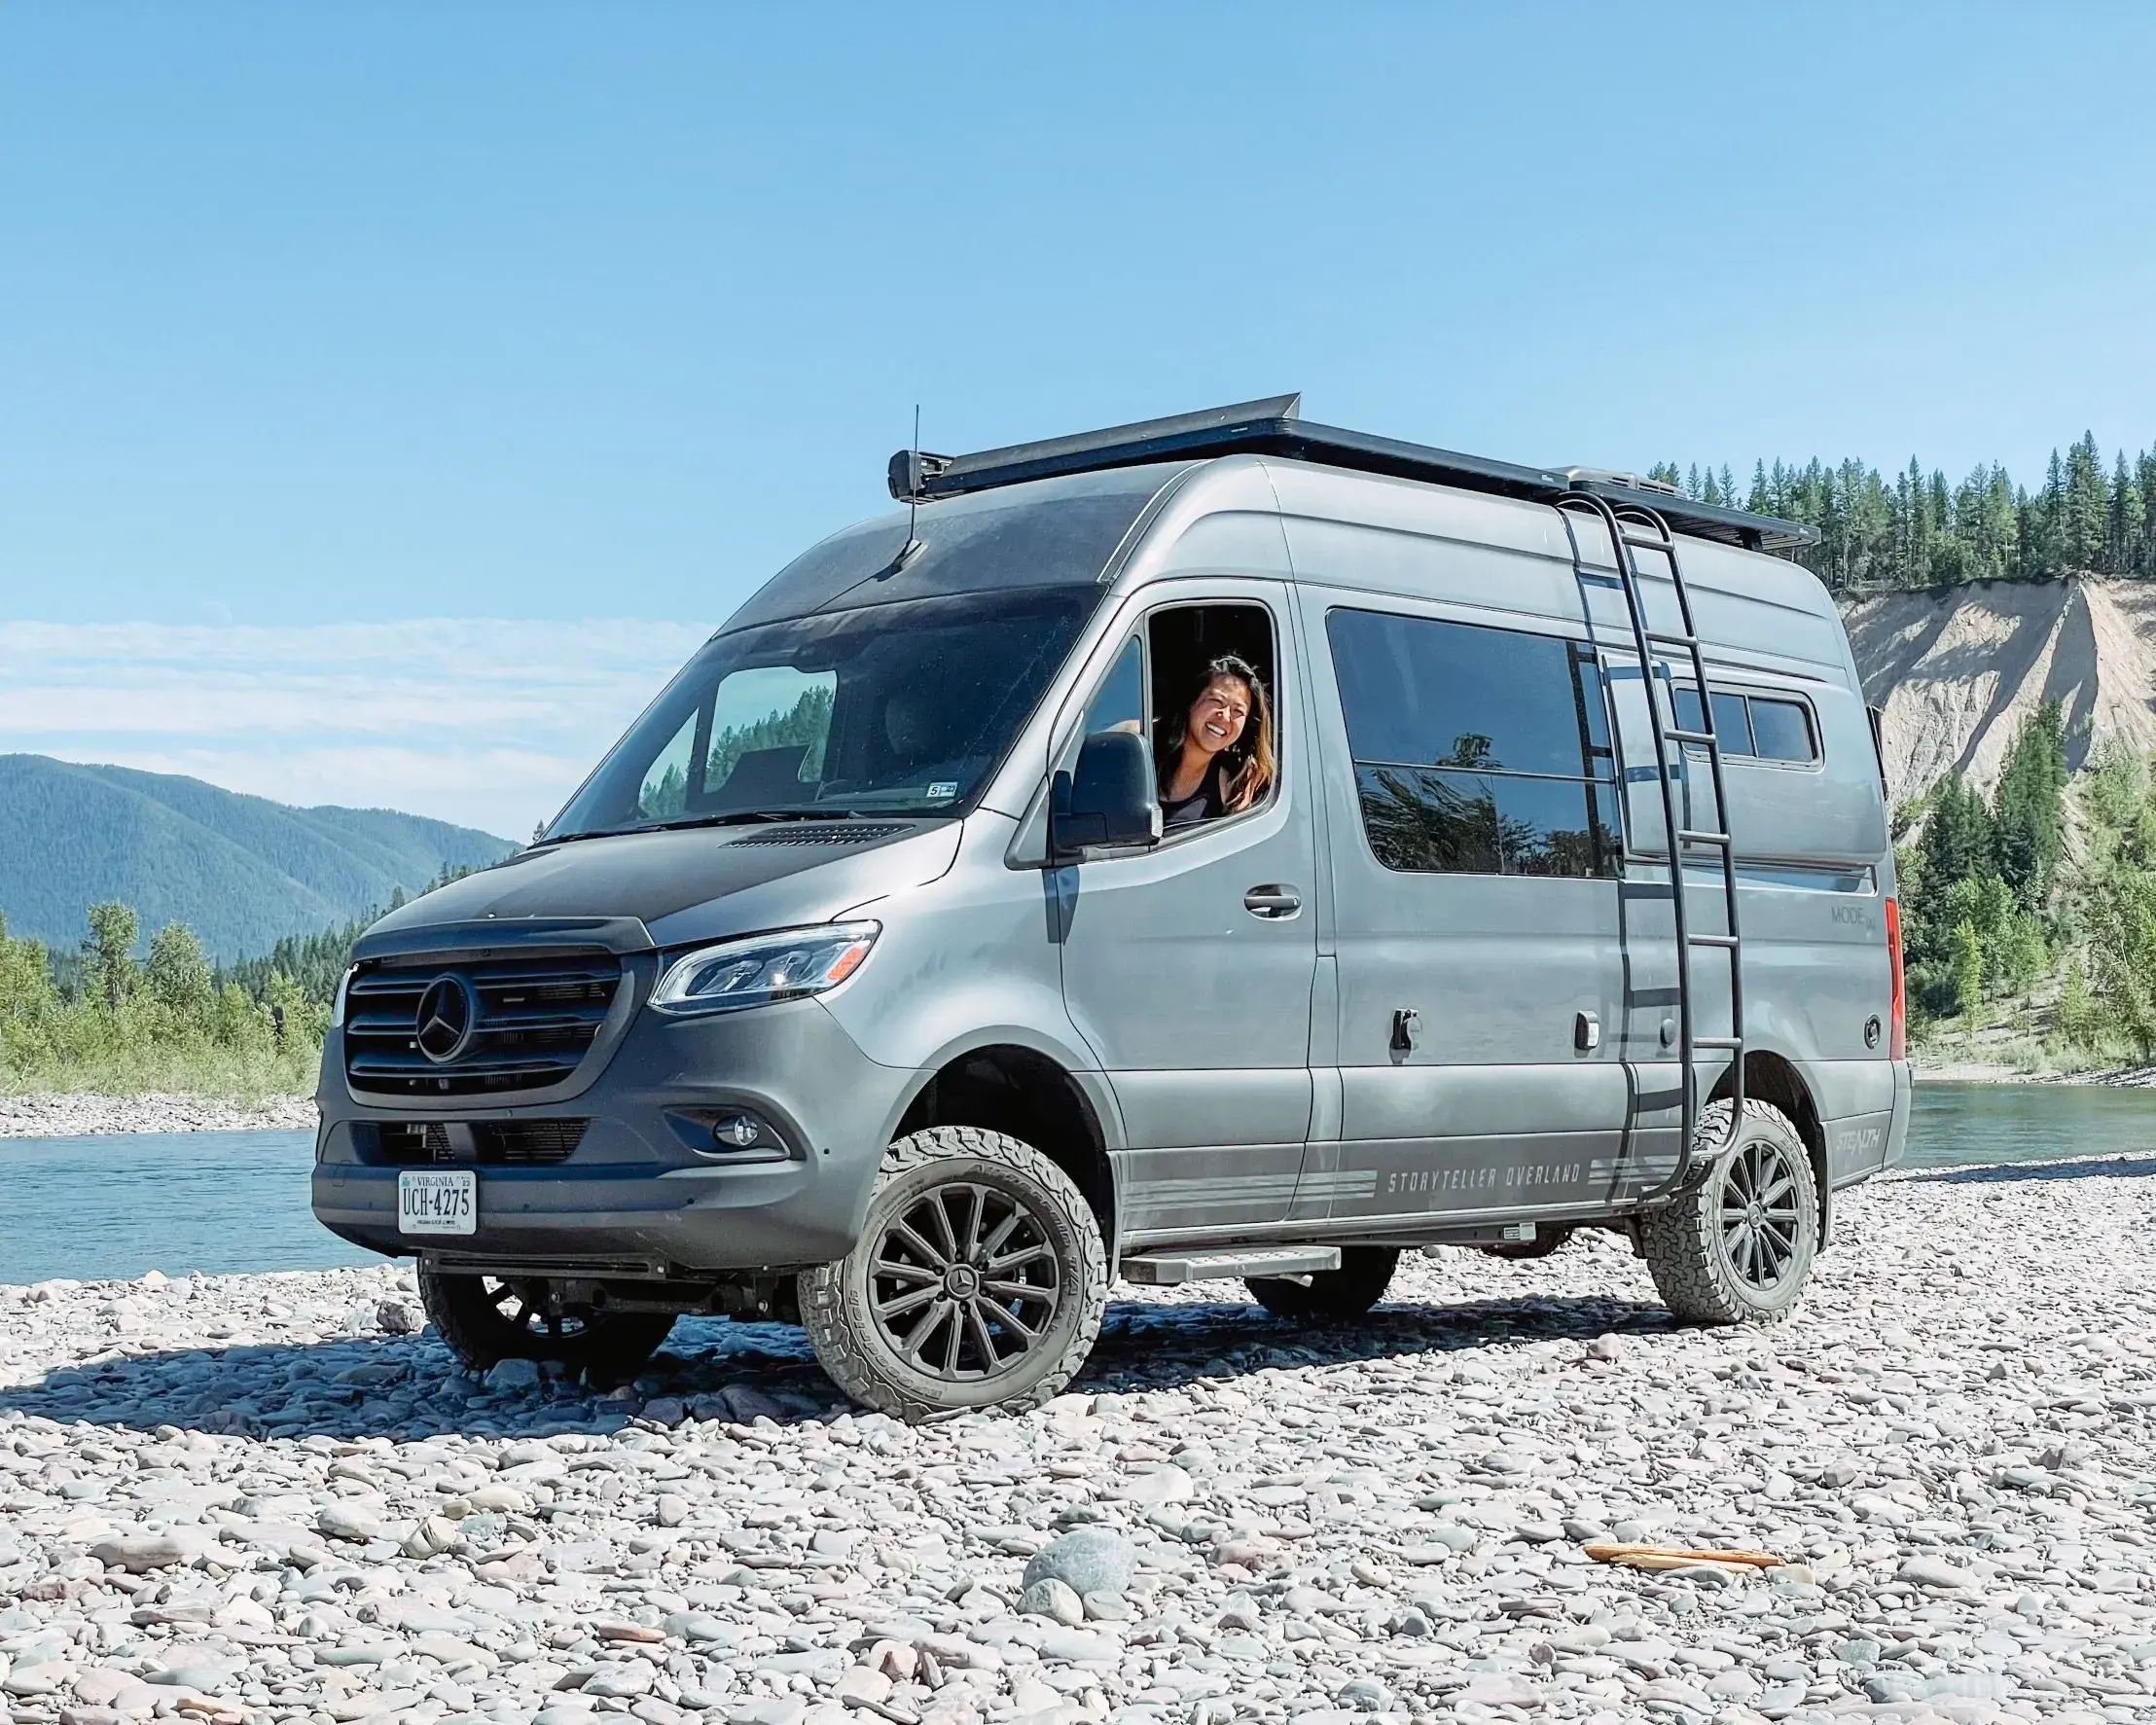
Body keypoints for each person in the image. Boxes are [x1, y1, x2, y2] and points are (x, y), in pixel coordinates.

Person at [1156, 655, 1276, 830]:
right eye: (1217, 701)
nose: (1225, 716)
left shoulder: (1232, 786)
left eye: (1238, 711)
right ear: (1192, 702)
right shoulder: (1141, 744)